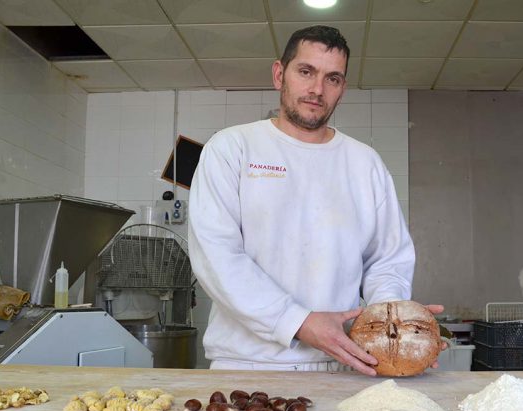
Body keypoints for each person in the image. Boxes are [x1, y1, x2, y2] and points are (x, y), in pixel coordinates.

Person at [188, 25, 444, 375]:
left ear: (343, 88)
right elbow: (216, 255)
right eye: (306, 72)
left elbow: (386, 260)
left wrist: (394, 324)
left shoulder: (364, 162)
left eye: (333, 78)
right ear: (280, 74)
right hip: (247, 365)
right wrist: (297, 322)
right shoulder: (232, 148)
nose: (317, 90)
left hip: (341, 364)